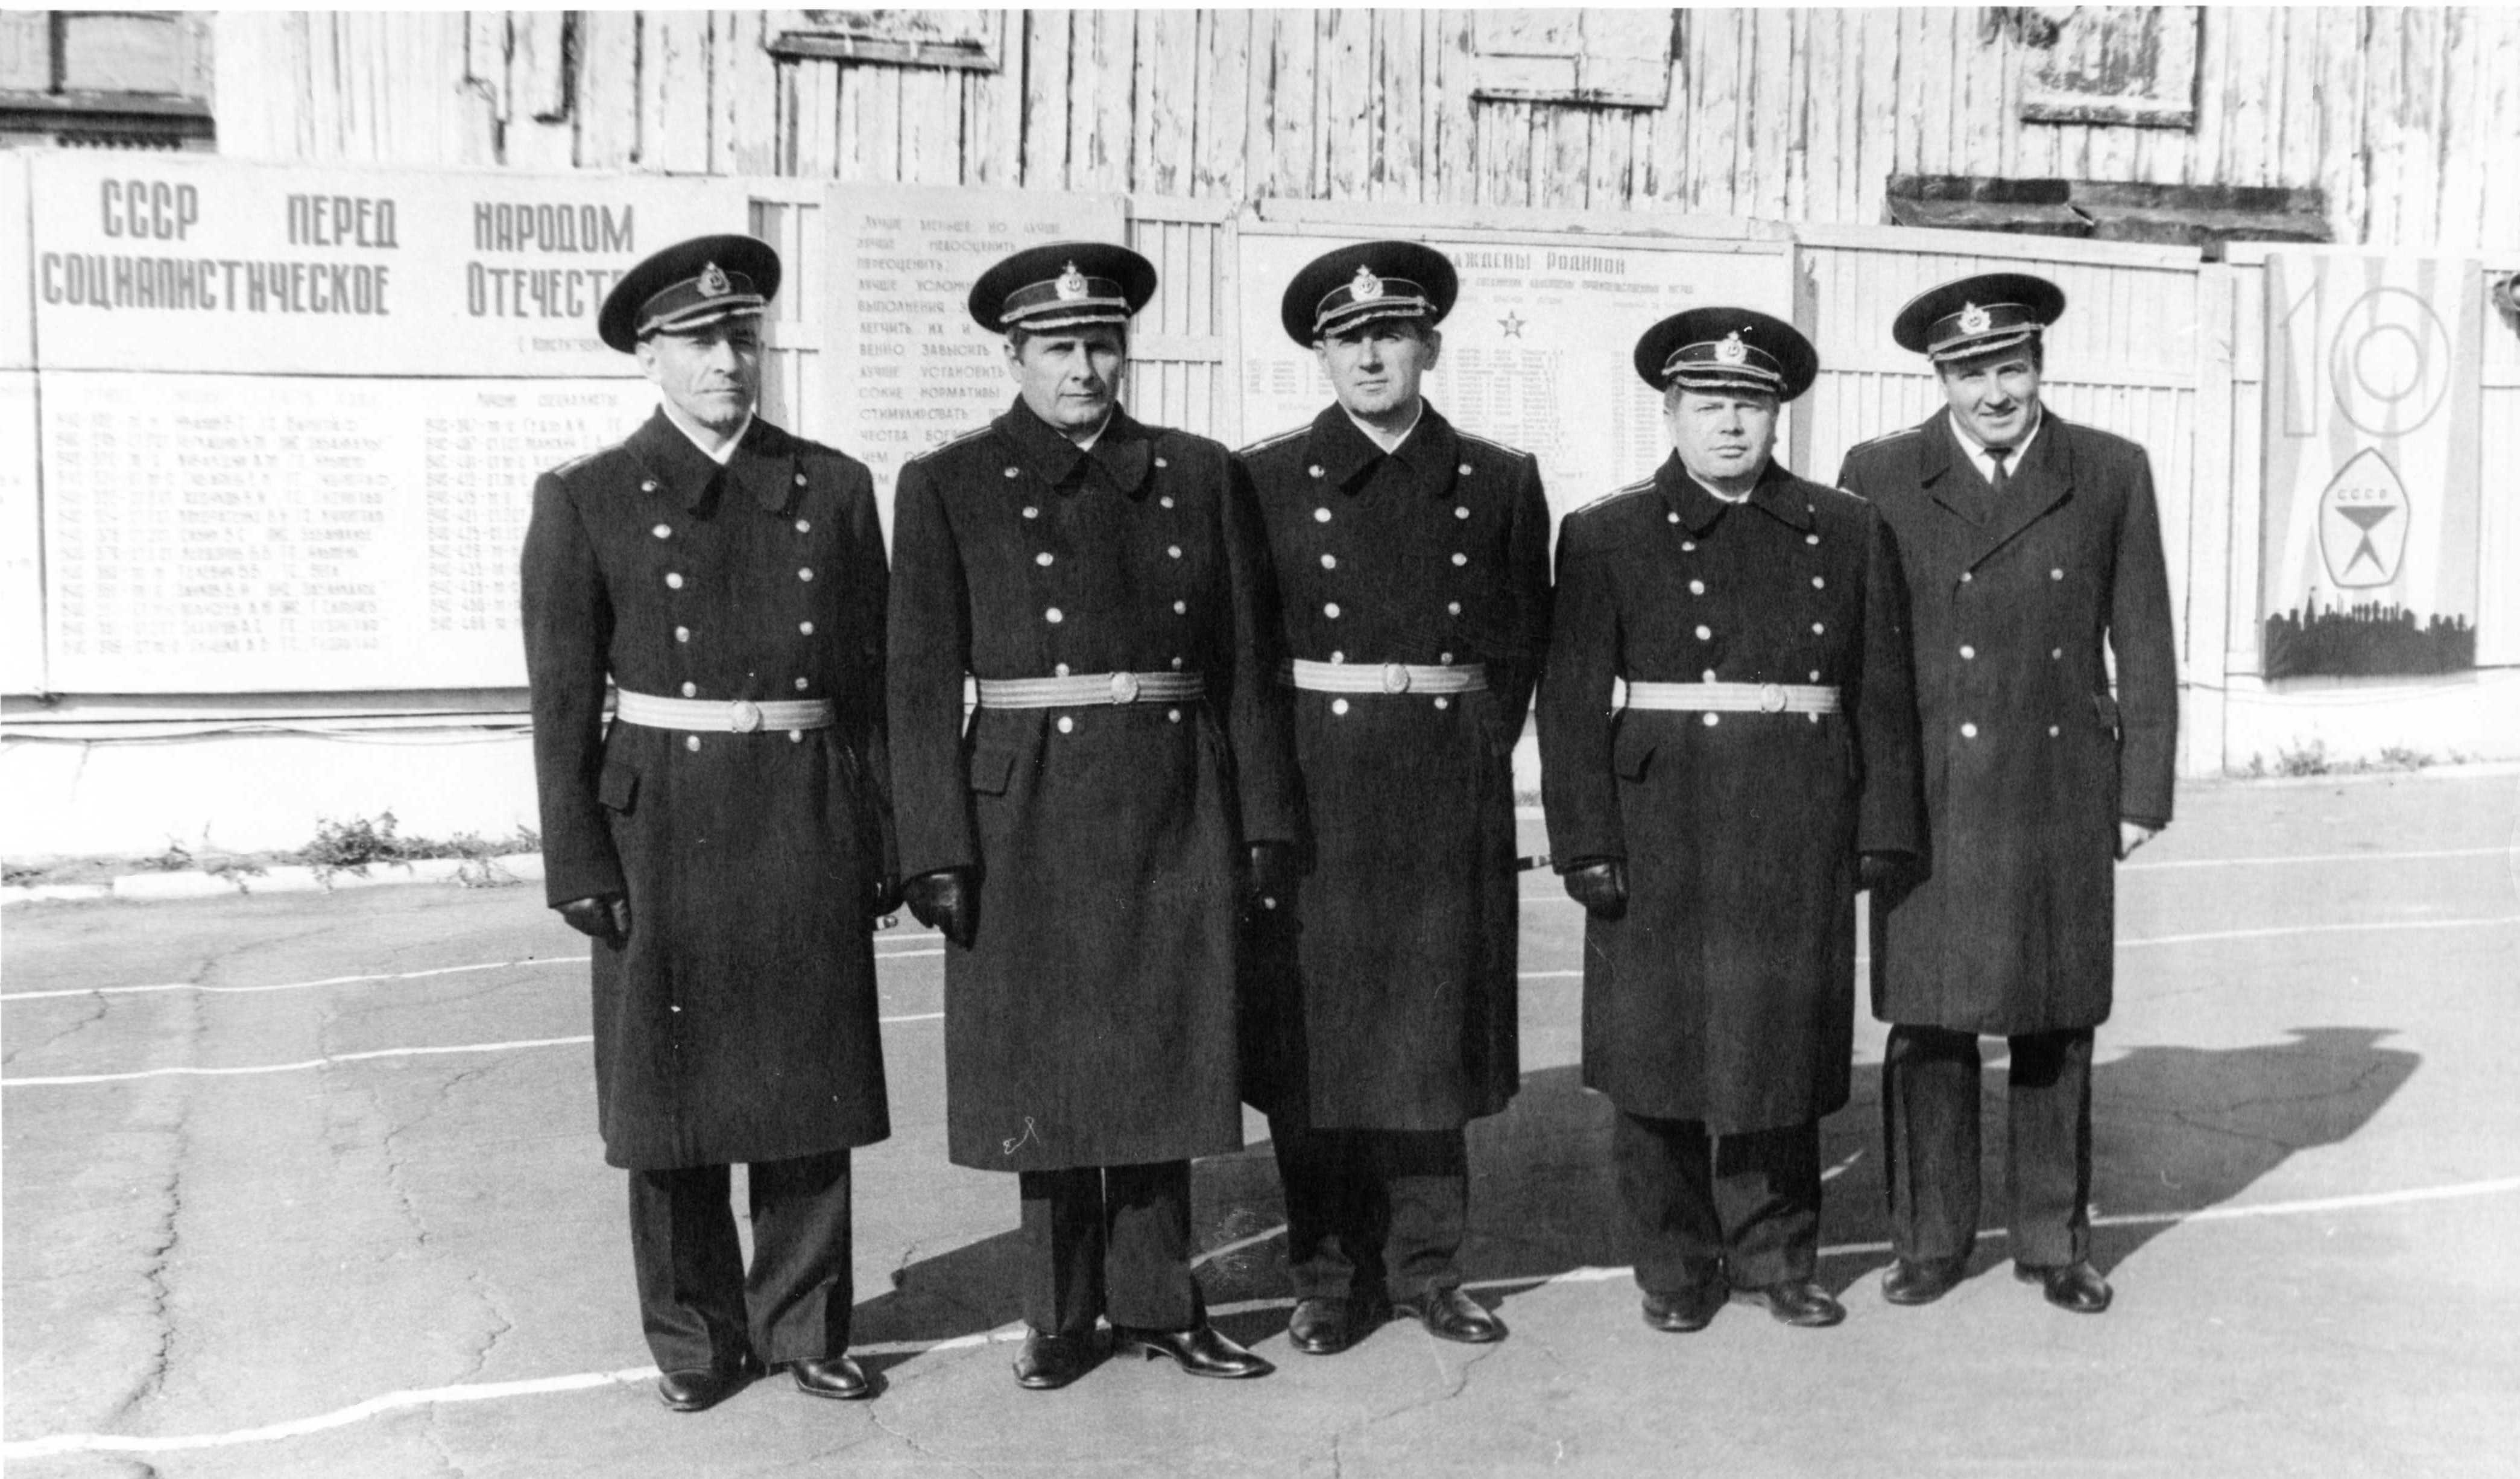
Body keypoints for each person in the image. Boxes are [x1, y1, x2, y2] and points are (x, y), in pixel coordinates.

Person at [886, 242, 1299, 1390]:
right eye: (1059, 347)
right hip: (1023, 811)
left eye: (1102, 345)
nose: (1083, 368)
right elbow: (917, 683)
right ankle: (1061, 1315)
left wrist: (1263, 820)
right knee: (1050, 1071)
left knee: (1166, 1055)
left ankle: (1164, 1304)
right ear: (1014, 356)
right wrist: (933, 846)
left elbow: (1246, 665)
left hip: (1173, 796)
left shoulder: (1197, 473)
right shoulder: (949, 482)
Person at [520, 234, 895, 1412]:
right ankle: (692, 1339)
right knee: (669, 1099)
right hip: (660, 828)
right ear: (650, 356)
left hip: (803, 810)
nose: (727, 361)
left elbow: (871, 687)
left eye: (743, 336)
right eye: (698, 341)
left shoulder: (834, 488)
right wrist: (577, 856)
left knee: (807, 1087)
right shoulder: (586, 498)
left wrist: (881, 835)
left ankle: (805, 1325)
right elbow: (562, 701)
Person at [1539, 308, 1922, 1334]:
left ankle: (1776, 1260)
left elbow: (1880, 688)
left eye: (1751, 404)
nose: (1730, 424)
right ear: (1670, 413)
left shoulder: (1845, 527)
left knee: (1779, 1048)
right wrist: (1585, 841)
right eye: (1709, 404)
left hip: (1800, 815)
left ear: (1778, 415)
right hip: (1660, 819)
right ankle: (1673, 1267)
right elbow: (1569, 702)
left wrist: (1883, 826)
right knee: (1656, 1054)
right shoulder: (1607, 532)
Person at [1836, 272, 2177, 1315]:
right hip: (1931, 792)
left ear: (2039, 368)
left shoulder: (2109, 470)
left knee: (2055, 1021)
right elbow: (1859, 653)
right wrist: (1863, 798)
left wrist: (2140, 794)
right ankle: (1929, 1243)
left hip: (2057, 788)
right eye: (1968, 372)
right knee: (1931, 1026)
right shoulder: (1881, 473)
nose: (1994, 393)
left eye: (2011, 369)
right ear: (1939, 378)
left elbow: (2145, 641)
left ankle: (2053, 1243)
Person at [1235, 242, 1552, 1356]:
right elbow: (1247, 657)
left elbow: (1521, 644)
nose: (1370, 356)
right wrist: (1264, 806)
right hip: (1316, 791)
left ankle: (1429, 1271)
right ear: (1323, 357)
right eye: (1348, 339)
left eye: (1391, 336)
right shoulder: (1265, 480)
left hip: (1441, 792)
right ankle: (1326, 1279)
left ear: (1430, 347)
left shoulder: (1501, 481)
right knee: (1316, 1047)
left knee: (1431, 1038)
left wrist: (1472, 753)